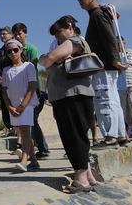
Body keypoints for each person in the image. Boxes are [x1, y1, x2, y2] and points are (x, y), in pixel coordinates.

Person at [39, 15, 97, 194]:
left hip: (73, 95)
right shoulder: (66, 44)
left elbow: (47, 59)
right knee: (76, 134)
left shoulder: (74, 41)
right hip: (66, 96)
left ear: (70, 28)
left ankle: (81, 179)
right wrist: (51, 59)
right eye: (55, 34)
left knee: (73, 136)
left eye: (59, 31)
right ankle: (87, 175)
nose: (57, 36)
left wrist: (49, 58)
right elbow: (49, 60)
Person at [73, 0, 128, 146]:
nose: (79, 0)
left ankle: (111, 136)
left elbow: (109, 38)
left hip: (104, 66)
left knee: (104, 100)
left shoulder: (97, 14)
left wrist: (114, 60)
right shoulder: (98, 14)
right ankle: (120, 135)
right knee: (112, 99)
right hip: (106, 65)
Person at [1, 39, 39, 172]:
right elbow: (4, 90)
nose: (12, 53)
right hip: (14, 106)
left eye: (15, 50)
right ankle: (34, 162)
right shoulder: (6, 70)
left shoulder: (29, 66)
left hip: (27, 104)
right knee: (24, 132)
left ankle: (24, 161)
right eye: (9, 51)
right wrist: (10, 107)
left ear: (21, 50)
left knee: (25, 131)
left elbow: (32, 86)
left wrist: (23, 105)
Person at [12, 22, 49, 158]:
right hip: (20, 91)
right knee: (29, 122)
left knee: (31, 120)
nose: (17, 36)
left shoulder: (32, 49)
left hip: (33, 90)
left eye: (19, 33)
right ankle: (34, 149)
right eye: (15, 34)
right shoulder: (13, 50)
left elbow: (32, 69)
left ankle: (41, 149)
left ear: (25, 33)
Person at [0, 26, 15, 138]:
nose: (2, 36)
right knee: (6, 111)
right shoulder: (0, 51)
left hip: (15, 84)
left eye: (4, 33)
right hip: (4, 85)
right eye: (0, 34)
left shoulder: (16, 48)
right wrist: (1, 78)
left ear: (11, 34)